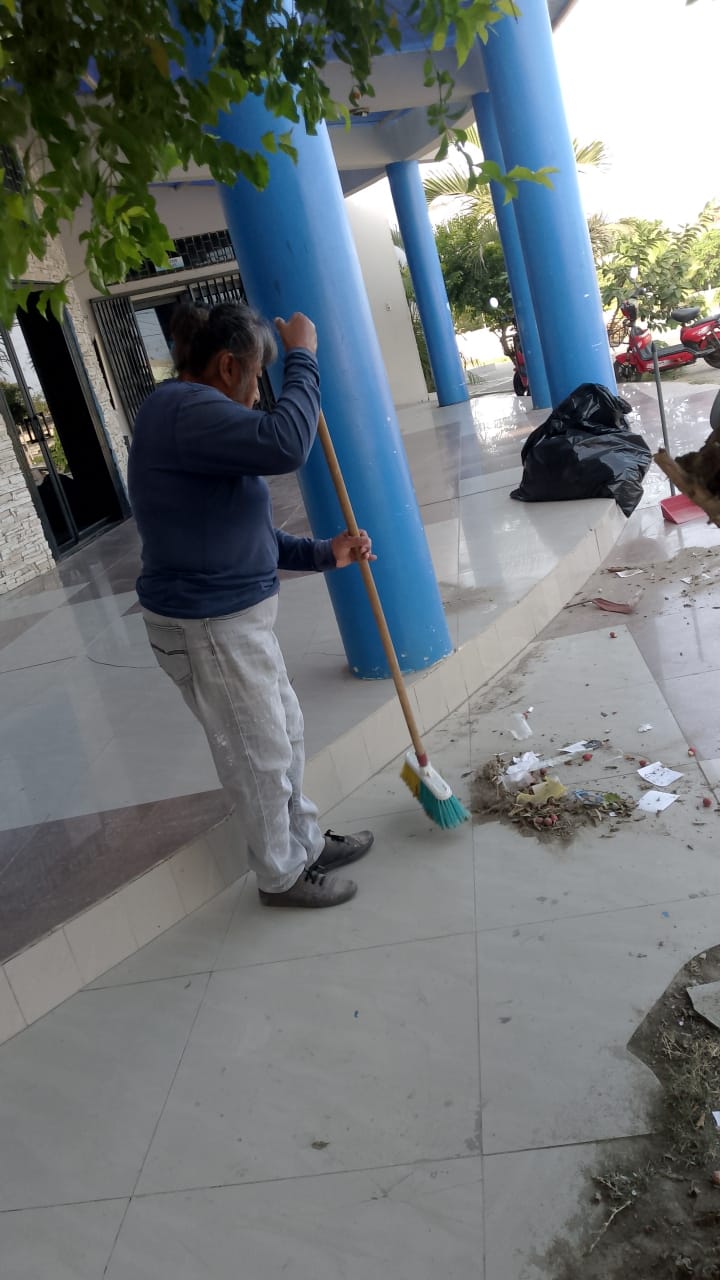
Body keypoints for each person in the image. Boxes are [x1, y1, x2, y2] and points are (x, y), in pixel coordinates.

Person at [127, 301, 375, 908]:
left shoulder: (199, 420)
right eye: (259, 375)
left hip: (234, 622)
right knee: (258, 754)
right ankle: (280, 875)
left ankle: (304, 844)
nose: (260, 391)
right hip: (209, 625)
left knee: (283, 735)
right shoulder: (183, 410)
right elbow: (288, 443)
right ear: (228, 366)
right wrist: (302, 357)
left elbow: (250, 533)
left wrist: (324, 554)